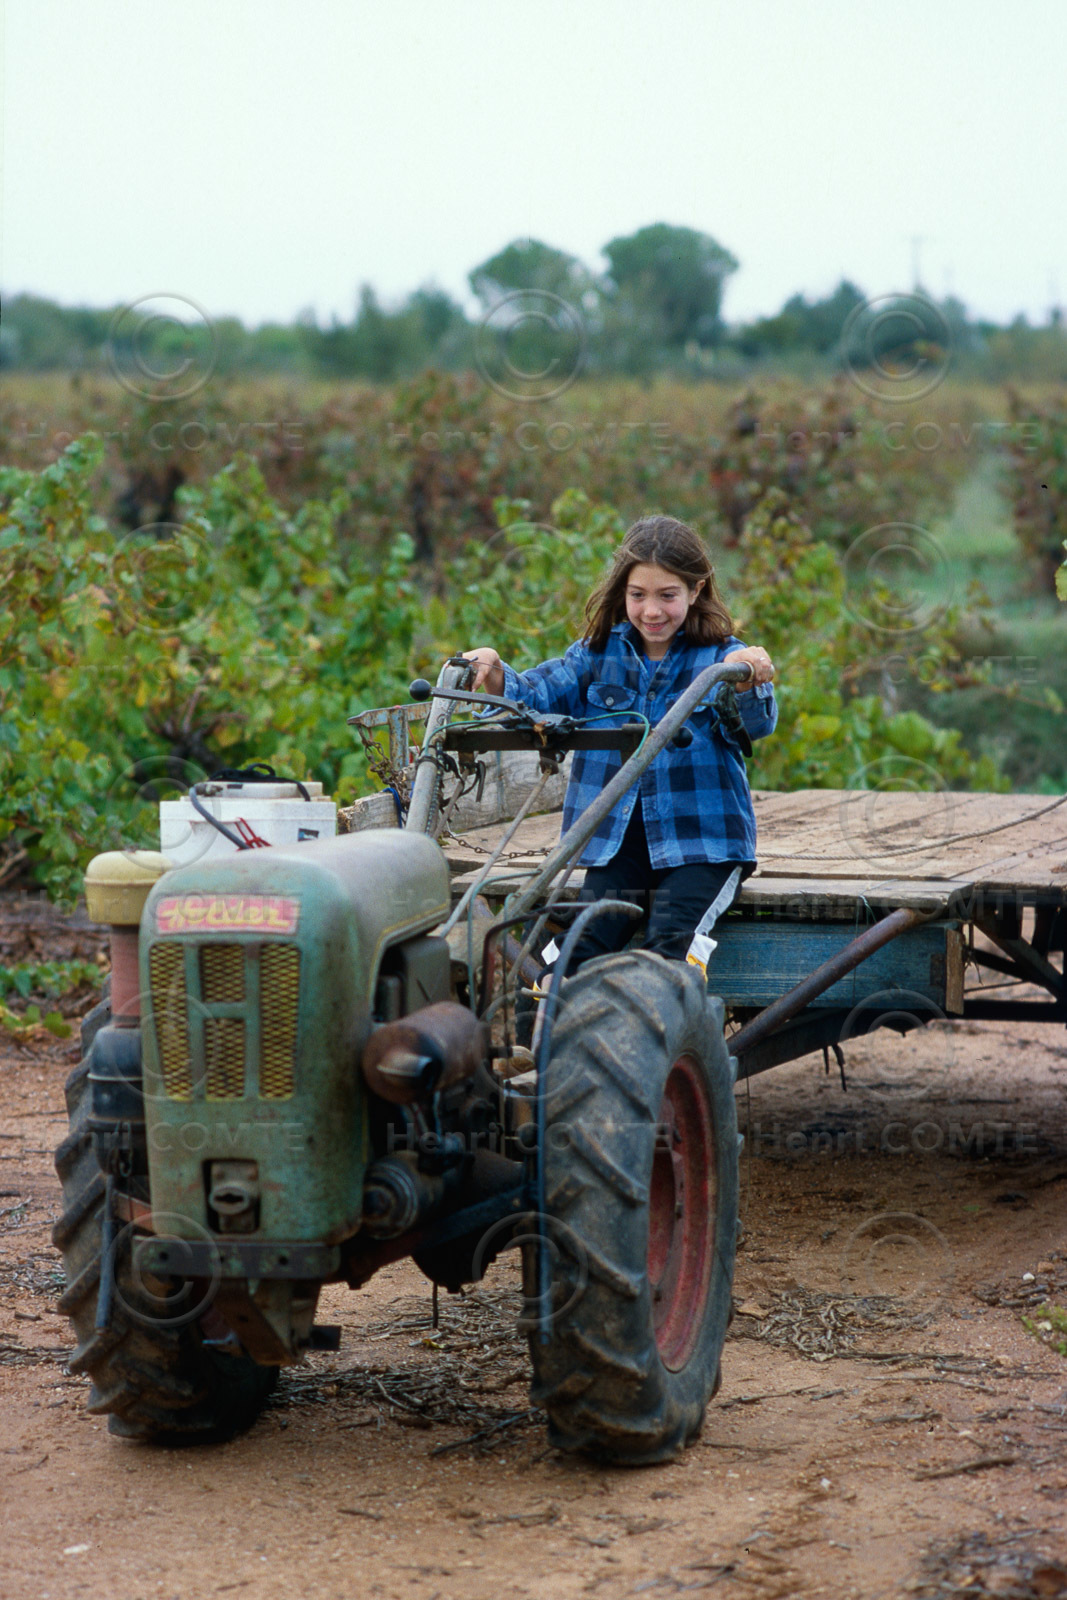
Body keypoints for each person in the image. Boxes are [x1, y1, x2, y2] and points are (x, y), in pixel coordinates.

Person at [463, 515, 777, 978]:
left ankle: (660, 1039)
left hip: (703, 844)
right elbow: (535, 695)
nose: (652, 611)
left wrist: (749, 676)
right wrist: (493, 672)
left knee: (670, 945)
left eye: (667, 595)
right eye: (638, 595)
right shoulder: (596, 654)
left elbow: (759, 722)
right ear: (622, 593)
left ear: (696, 590)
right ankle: (541, 1039)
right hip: (617, 846)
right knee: (579, 941)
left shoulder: (721, 658)